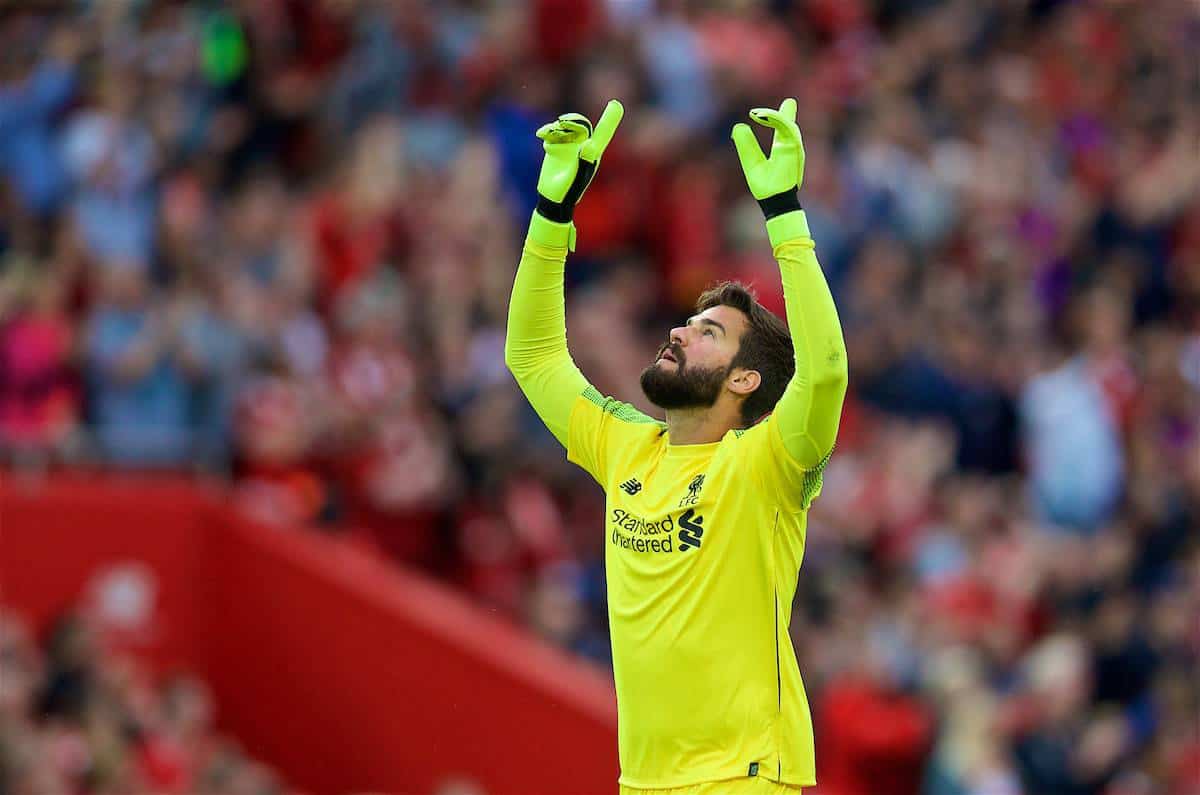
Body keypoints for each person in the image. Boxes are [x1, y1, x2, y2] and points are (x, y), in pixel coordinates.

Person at [504, 98, 848, 794]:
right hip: (644, 780)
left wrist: (784, 212)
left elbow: (828, 370)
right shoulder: (625, 445)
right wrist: (551, 213)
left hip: (742, 776)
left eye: (709, 333)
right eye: (691, 321)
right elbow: (533, 356)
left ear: (744, 379)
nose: (682, 331)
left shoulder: (767, 465)